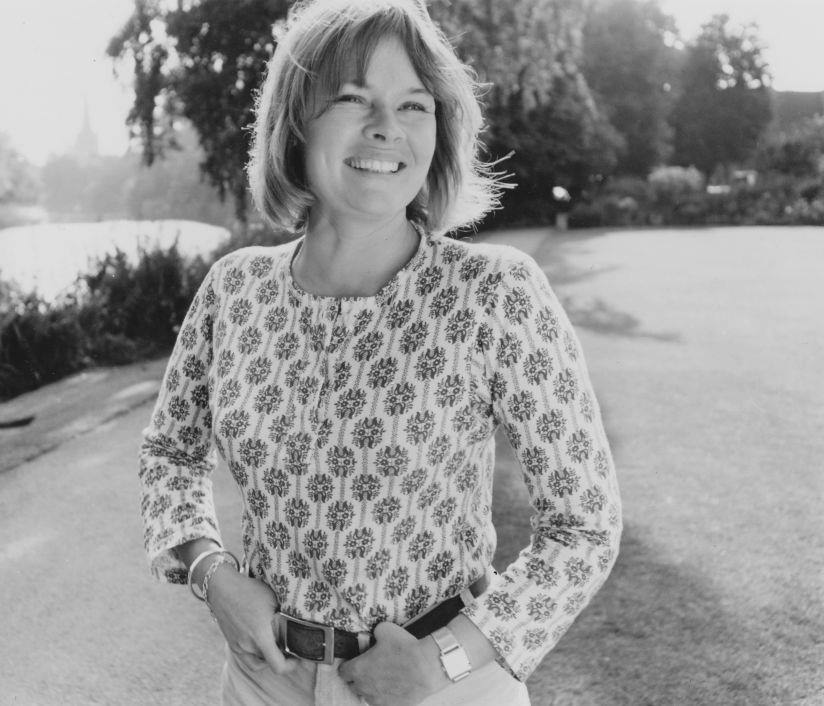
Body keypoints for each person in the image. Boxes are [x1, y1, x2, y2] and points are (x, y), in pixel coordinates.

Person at [137, 0, 622, 703]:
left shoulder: (494, 292)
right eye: (352, 99)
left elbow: (584, 526)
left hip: (439, 689)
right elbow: (170, 454)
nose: (385, 128)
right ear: (297, 121)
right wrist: (212, 576)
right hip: (264, 683)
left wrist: (446, 661)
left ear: (440, 128)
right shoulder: (233, 290)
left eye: (414, 105)